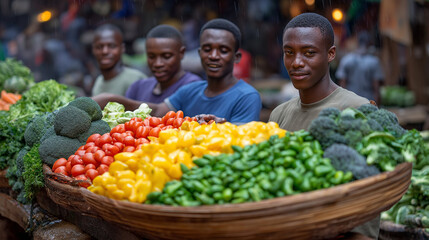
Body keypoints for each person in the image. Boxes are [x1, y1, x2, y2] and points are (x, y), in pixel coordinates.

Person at [269, 13, 377, 239]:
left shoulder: (357, 110)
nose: (297, 62)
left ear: (331, 54)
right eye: (289, 53)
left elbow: (369, 196)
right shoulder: (278, 115)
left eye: (309, 53)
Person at [93, 18, 262, 123]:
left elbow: (242, 142)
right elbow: (157, 112)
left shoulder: (246, 96)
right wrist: (110, 99)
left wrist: (222, 128)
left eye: (223, 50)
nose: (214, 56)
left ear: (236, 57)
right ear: (199, 53)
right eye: (207, 49)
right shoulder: (190, 91)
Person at [125, 24, 201, 103]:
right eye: (151, 56)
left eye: (166, 56)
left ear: (181, 53)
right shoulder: (138, 88)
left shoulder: (193, 86)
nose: (158, 64)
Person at [91, 24, 146, 96]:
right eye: (99, 47)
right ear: (93, 50)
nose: (105, 51)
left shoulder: (135, 79)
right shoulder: (99, 82)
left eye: (112, 46)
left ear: (122, 48)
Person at [335, 31, 384, 104]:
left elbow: (342, 85)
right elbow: (376, 88)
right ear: (369, 43)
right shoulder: (374, 62)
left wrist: (343, 103)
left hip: (350, 101)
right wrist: (376, 106)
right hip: (368, 102)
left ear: (357, 43)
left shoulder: (346, 60)